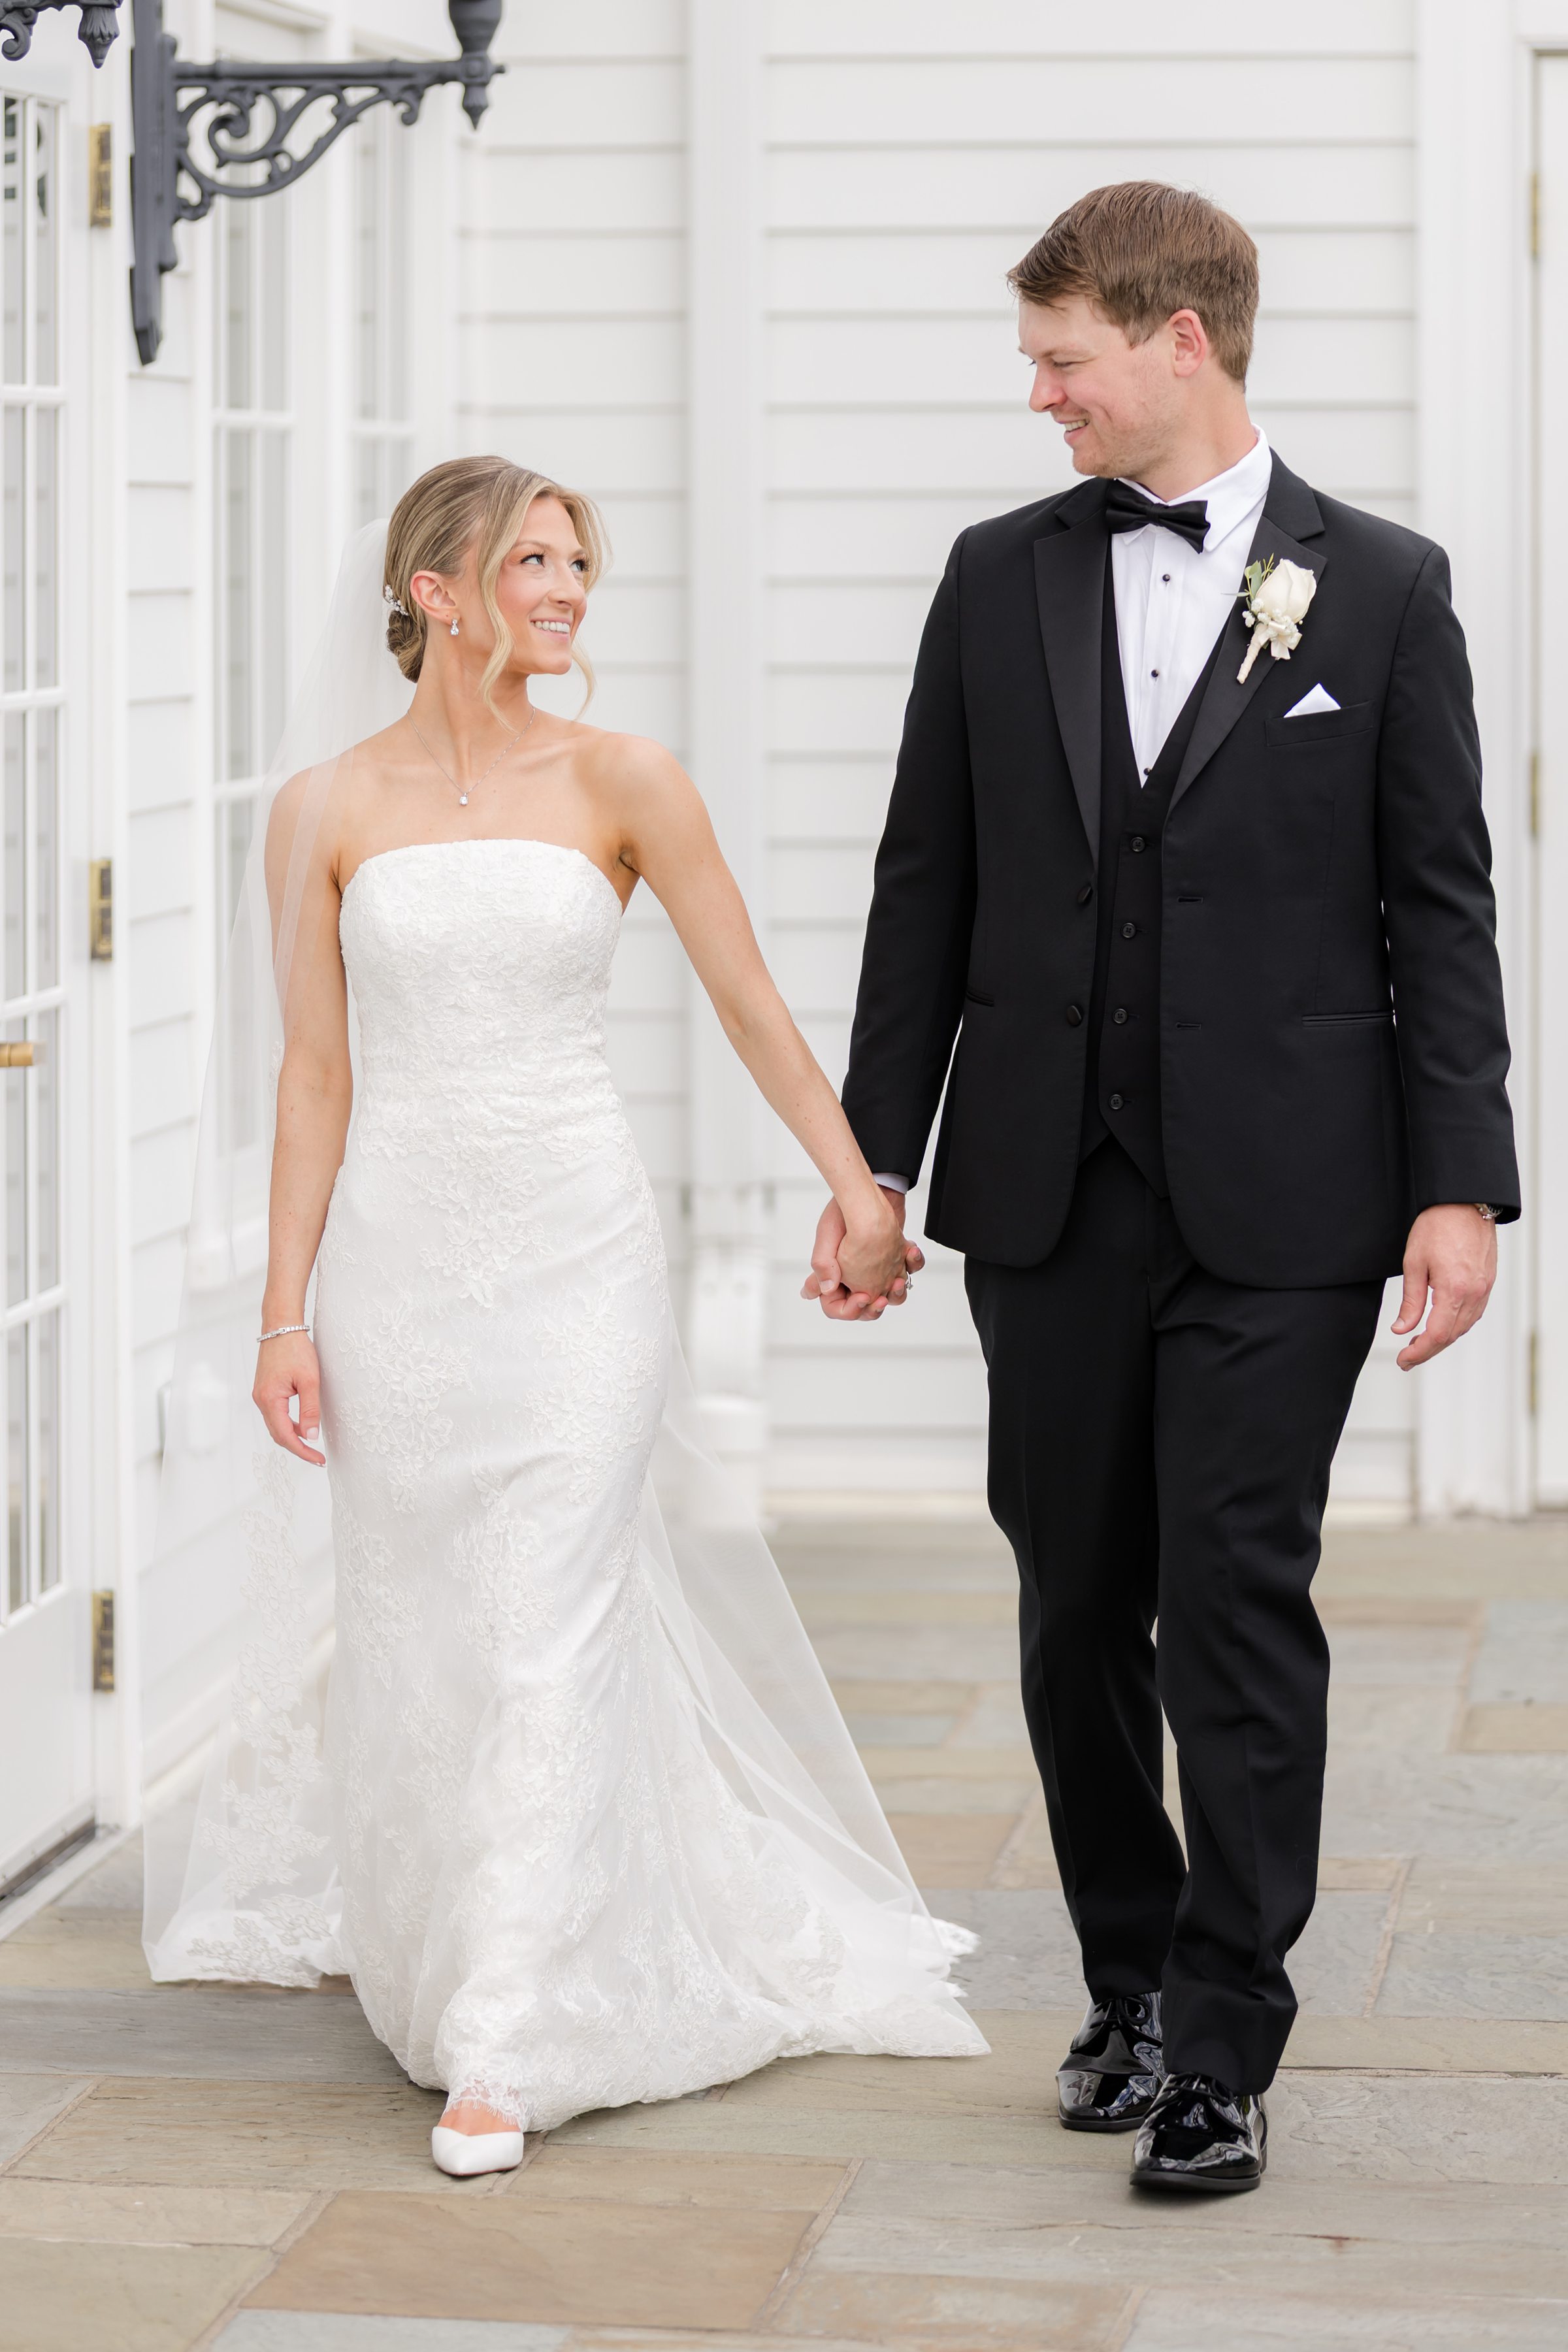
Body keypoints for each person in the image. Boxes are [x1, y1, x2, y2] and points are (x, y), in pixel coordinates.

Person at [144, 455, 985, 2176]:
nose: (568, 589)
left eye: (581, 562)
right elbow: (315, 1075)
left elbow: (749, 1002)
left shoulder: (625, 779)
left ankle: (509, 2028)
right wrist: (283, 1317)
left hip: (580, 1254)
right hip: (398, 1265)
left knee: (546, 1610)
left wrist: (858, 1184)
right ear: (433, 591)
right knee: (429, 1619)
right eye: (532, 558)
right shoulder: (318, 811)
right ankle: (445, 1940)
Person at [807, 182, 1518, 2193]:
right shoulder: (995, 574)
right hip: (1045, 1188)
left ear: (1179, 339)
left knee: (1230, 1598)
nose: (1042, 399)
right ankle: (1125, 1984)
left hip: (1295, 1197)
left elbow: (1435, 909)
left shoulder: (1377, 591)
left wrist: (1458, 1185)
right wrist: (877, 1162)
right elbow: (921, 893)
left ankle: (1225, 2034)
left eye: (1064, 362)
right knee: (1071, 1606)